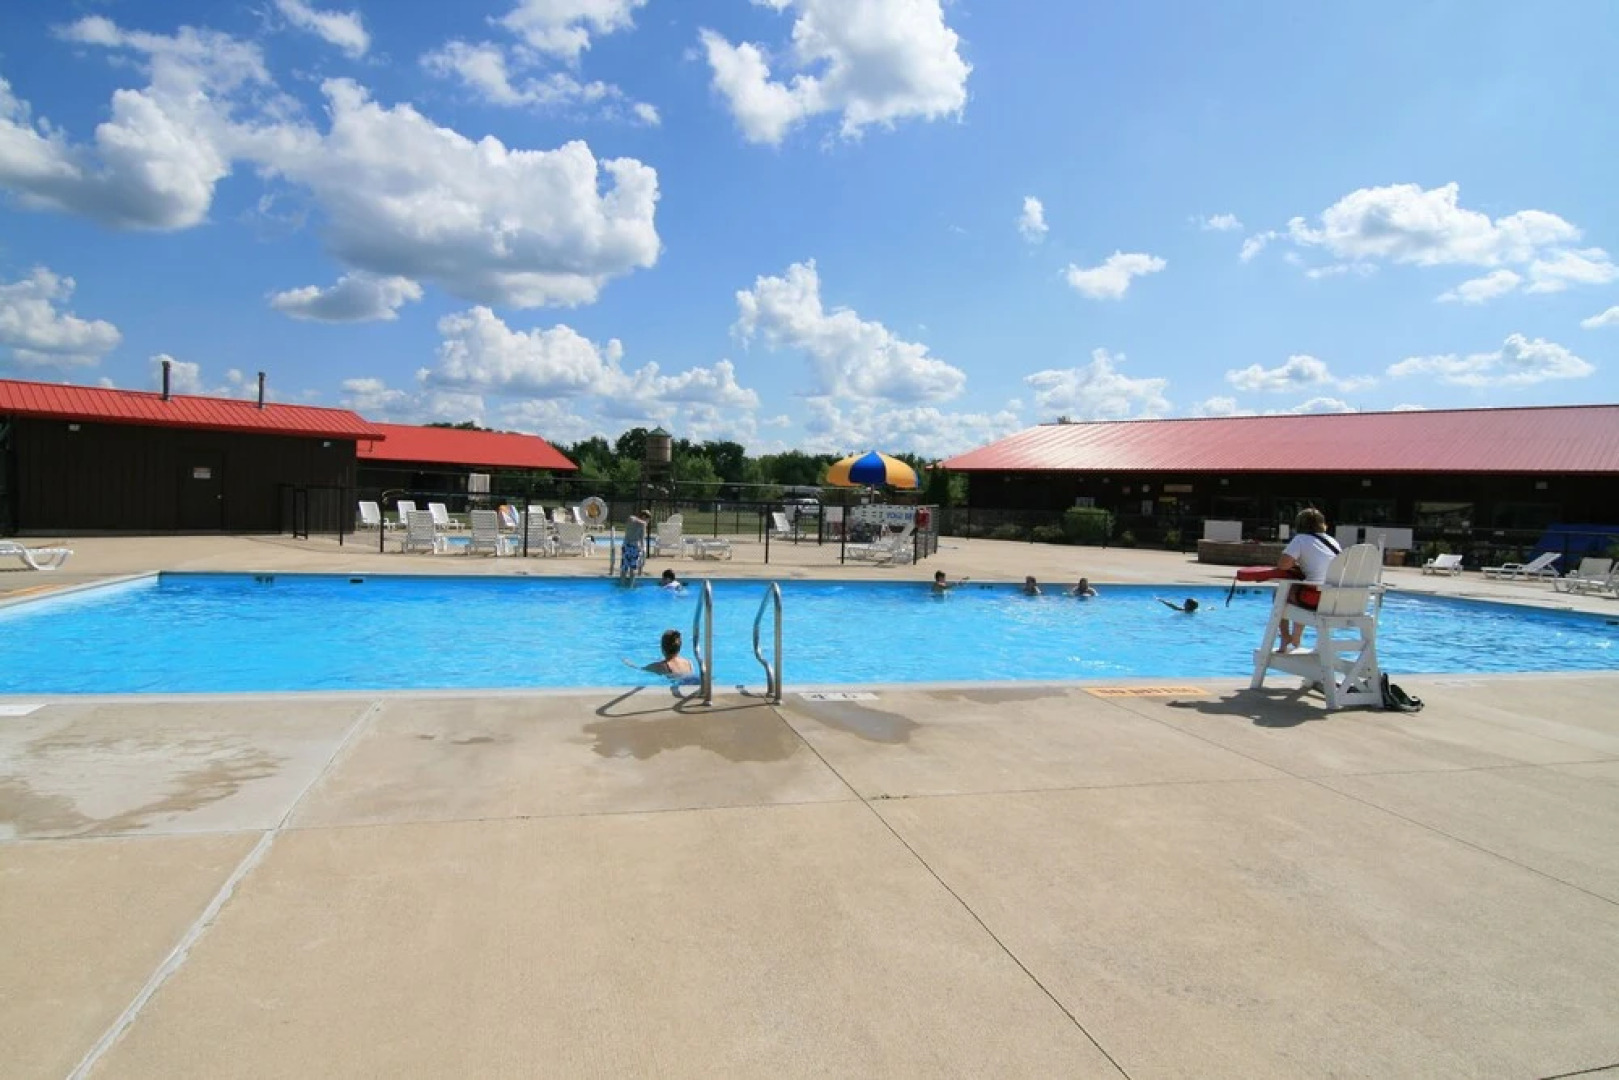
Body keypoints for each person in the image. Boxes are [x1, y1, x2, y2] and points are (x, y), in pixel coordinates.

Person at [1276, 507, 1343, 652]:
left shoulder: (1300, 539)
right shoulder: (1333, 541)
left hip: (1315, 599)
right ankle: (1296, 637)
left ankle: (1286, 636)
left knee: (1281, 593)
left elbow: (1283, 565)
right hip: (1336, 600)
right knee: (1302, 589)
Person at [624, 628, 694, 678]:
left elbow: (641, 669)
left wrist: (629, 664)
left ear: (662, 649)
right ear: (680, 647)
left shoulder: (662, 667)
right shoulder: (689, 663)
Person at [619, 510, 648, 583]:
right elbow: (642, 540)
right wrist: (643, 522)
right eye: (648, 519)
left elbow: (642, 539)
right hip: (633, 547)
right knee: (630, 568)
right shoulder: (641, 523)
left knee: (625, 568)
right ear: (644, 517)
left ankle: (624, 585)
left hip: (627, 546)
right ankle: (629, 586)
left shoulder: (633, 520)